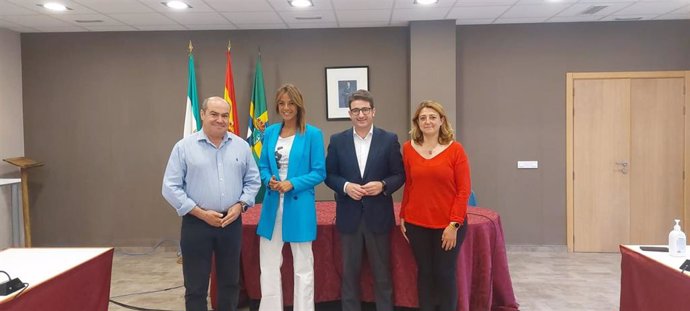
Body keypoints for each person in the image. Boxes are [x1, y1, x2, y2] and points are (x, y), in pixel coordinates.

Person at [162, 96, 261, 311]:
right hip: (196, 223)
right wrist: (199, 212)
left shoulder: (241, 147)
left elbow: (254, 181)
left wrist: (241, 205)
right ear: (203, 115)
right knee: (196, 287)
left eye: (224, 115)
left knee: (230, 284)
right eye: (214, 114)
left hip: (231, 223)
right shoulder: (184, 147)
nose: (220, 120)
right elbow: (170, 187)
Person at [325, 89, 404, 311]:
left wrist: (383, 185)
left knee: (382, 276)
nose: (361, 114)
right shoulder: (337, 141)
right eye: (356, 110)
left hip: (378, 217)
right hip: (349, 217)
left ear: (373, 112)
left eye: (365, 110)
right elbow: (329, 175)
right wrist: (346, 186)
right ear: (349, 113)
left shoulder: (389, 139)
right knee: (349, 276)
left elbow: (399, 174)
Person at [256, 83, 326, 311]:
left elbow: (319, 172)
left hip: (299, 206)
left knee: (303, 267)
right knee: (268, 264)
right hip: (271, 205)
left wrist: (291, 183)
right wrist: (269, 181)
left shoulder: (313, 134)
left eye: (291, 103)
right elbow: (263, 165)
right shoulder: (270, 132)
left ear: (299, 105)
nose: (286, 108)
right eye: (282, 103)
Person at [400, 100, 471, 311]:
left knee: (445, 273)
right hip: (416, 223)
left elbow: (463, 191)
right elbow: (409, 185)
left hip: (448, 225)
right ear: (417, 123)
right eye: (423, 118)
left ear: (441, 120)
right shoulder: (408, 148)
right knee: (425, 272)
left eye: (432, 117)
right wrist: (403, 215)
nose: (427, 121)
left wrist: (454, 225)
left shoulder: (456, 150)